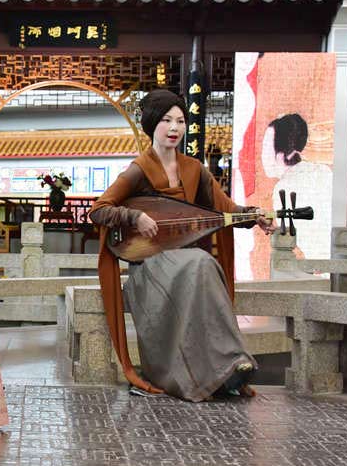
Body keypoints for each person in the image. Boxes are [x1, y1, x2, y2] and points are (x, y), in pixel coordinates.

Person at [89, 90, 274, 402]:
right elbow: (99, 210)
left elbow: (224, 210)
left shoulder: (194, 169)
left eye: (180, 121)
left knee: (202, 264)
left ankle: (229, 365)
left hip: (186, 263)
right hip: (149, 265)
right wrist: (134, 217)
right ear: (152, 124)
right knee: (201, 263)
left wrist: (256, 216)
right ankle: (212, 369)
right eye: (166, 120)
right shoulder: (139, 169)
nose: (174, 127)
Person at [261, 113, 332, 260]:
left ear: (283, 153)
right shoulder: (323, 171)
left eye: (266, 148)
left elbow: (300, 237)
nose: (262, 155)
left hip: (318, 262)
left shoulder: (284, 187)